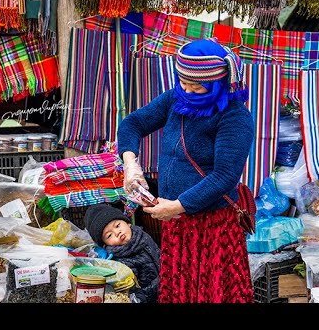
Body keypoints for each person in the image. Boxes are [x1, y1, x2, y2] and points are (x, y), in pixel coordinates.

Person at [117, 38, 255, 303]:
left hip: (212, 227)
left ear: (218, 84)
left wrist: (178, 206)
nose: (187, 92)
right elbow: (133, 123)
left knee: (212, 294)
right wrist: (130, 163)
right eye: (183, 83)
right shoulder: (174, 99)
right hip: (178, 224)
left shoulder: (235, 117)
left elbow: (224, 176)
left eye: (197, 87)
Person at [84, 203, 161, 303]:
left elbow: (159, 253)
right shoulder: (120, 261)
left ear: (127, 223)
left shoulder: (143, 236)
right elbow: (135, 292)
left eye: (117, 225)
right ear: (105, 244)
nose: (117, 232)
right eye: (109, 235)